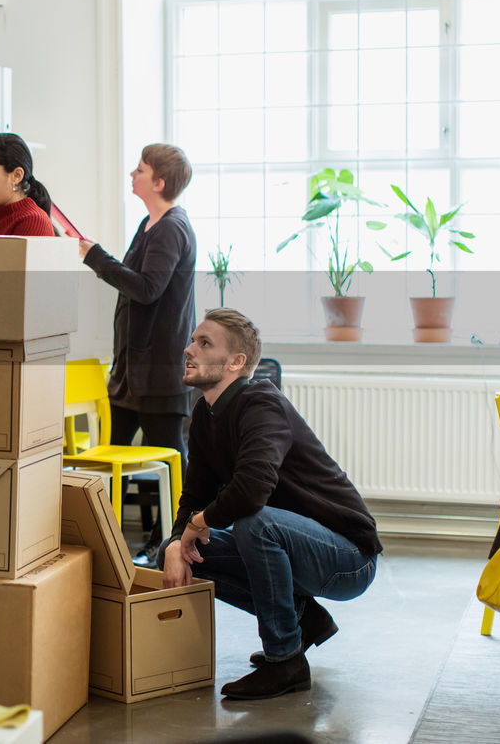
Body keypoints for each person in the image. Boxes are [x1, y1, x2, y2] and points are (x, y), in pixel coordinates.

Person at [160, 309, 382, 700]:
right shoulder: (205, 415)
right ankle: (304, 620)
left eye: (204, 343)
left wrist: (197, 524)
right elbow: (194, 496)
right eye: (193, 340)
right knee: (177, 549)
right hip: (293, 544)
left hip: (348, 557)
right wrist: (179, 540)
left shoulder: (261, 403)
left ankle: (286, 662)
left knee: (255, 523)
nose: (188, 349)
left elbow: (252, 490)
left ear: (236, 362)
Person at [78, 143, 196, 561]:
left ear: (159, 182)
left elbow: (146, 289)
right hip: (131, 375)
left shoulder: (171, 228)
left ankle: (177, 545)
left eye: (140, 169)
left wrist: (96, 257)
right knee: (114, 458)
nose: (133, 174)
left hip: (158, 378)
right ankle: (115, 546)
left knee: (169, 466)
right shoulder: (151, 224)